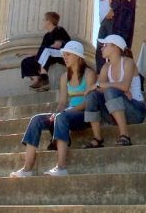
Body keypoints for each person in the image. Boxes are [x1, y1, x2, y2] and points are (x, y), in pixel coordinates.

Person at [10, 41, 97, 177]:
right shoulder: (64, 77)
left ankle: (61, 167)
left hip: (83, 114)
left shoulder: (89, 74)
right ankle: (27, 169)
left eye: (68, 54)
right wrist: (57, 113)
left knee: (61, 116)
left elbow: (90, 102)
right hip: (67, 113)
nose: (65, 57)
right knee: (37, 119)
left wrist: (64, 113)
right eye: (64, 55)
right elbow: (62, 102)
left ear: (78, 56)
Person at [83, 35, 145, 147]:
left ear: (115, 47)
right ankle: (97, 138)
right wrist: (114, 87)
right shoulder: (106, 67)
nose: (101, 48)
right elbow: (99, 89)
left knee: (110, 91)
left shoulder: (128, 62)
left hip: (136, 111)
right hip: (114, 111)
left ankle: (124, 135)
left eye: (105, 45)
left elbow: (125, 86)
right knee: (92, 95)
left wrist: (106, 86)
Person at [20, 12, 71, 91]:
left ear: (49, 21)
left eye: (44, 19)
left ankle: (44, 78)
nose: (43, 21)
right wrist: (25, 53)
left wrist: (43, 51)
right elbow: (40, 51)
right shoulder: (46, 35)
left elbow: (58, 44)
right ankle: (37, 80)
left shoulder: (59, 30)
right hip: (49, 55)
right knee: (26, 61)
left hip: (62, 55)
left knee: (45, 50)